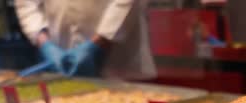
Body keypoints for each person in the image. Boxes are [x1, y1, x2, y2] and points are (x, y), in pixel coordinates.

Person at [15, 0, 156, 80]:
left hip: (119, 61)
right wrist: (44, 41)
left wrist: (101, 41)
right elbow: (26, 4)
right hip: (60, 54)